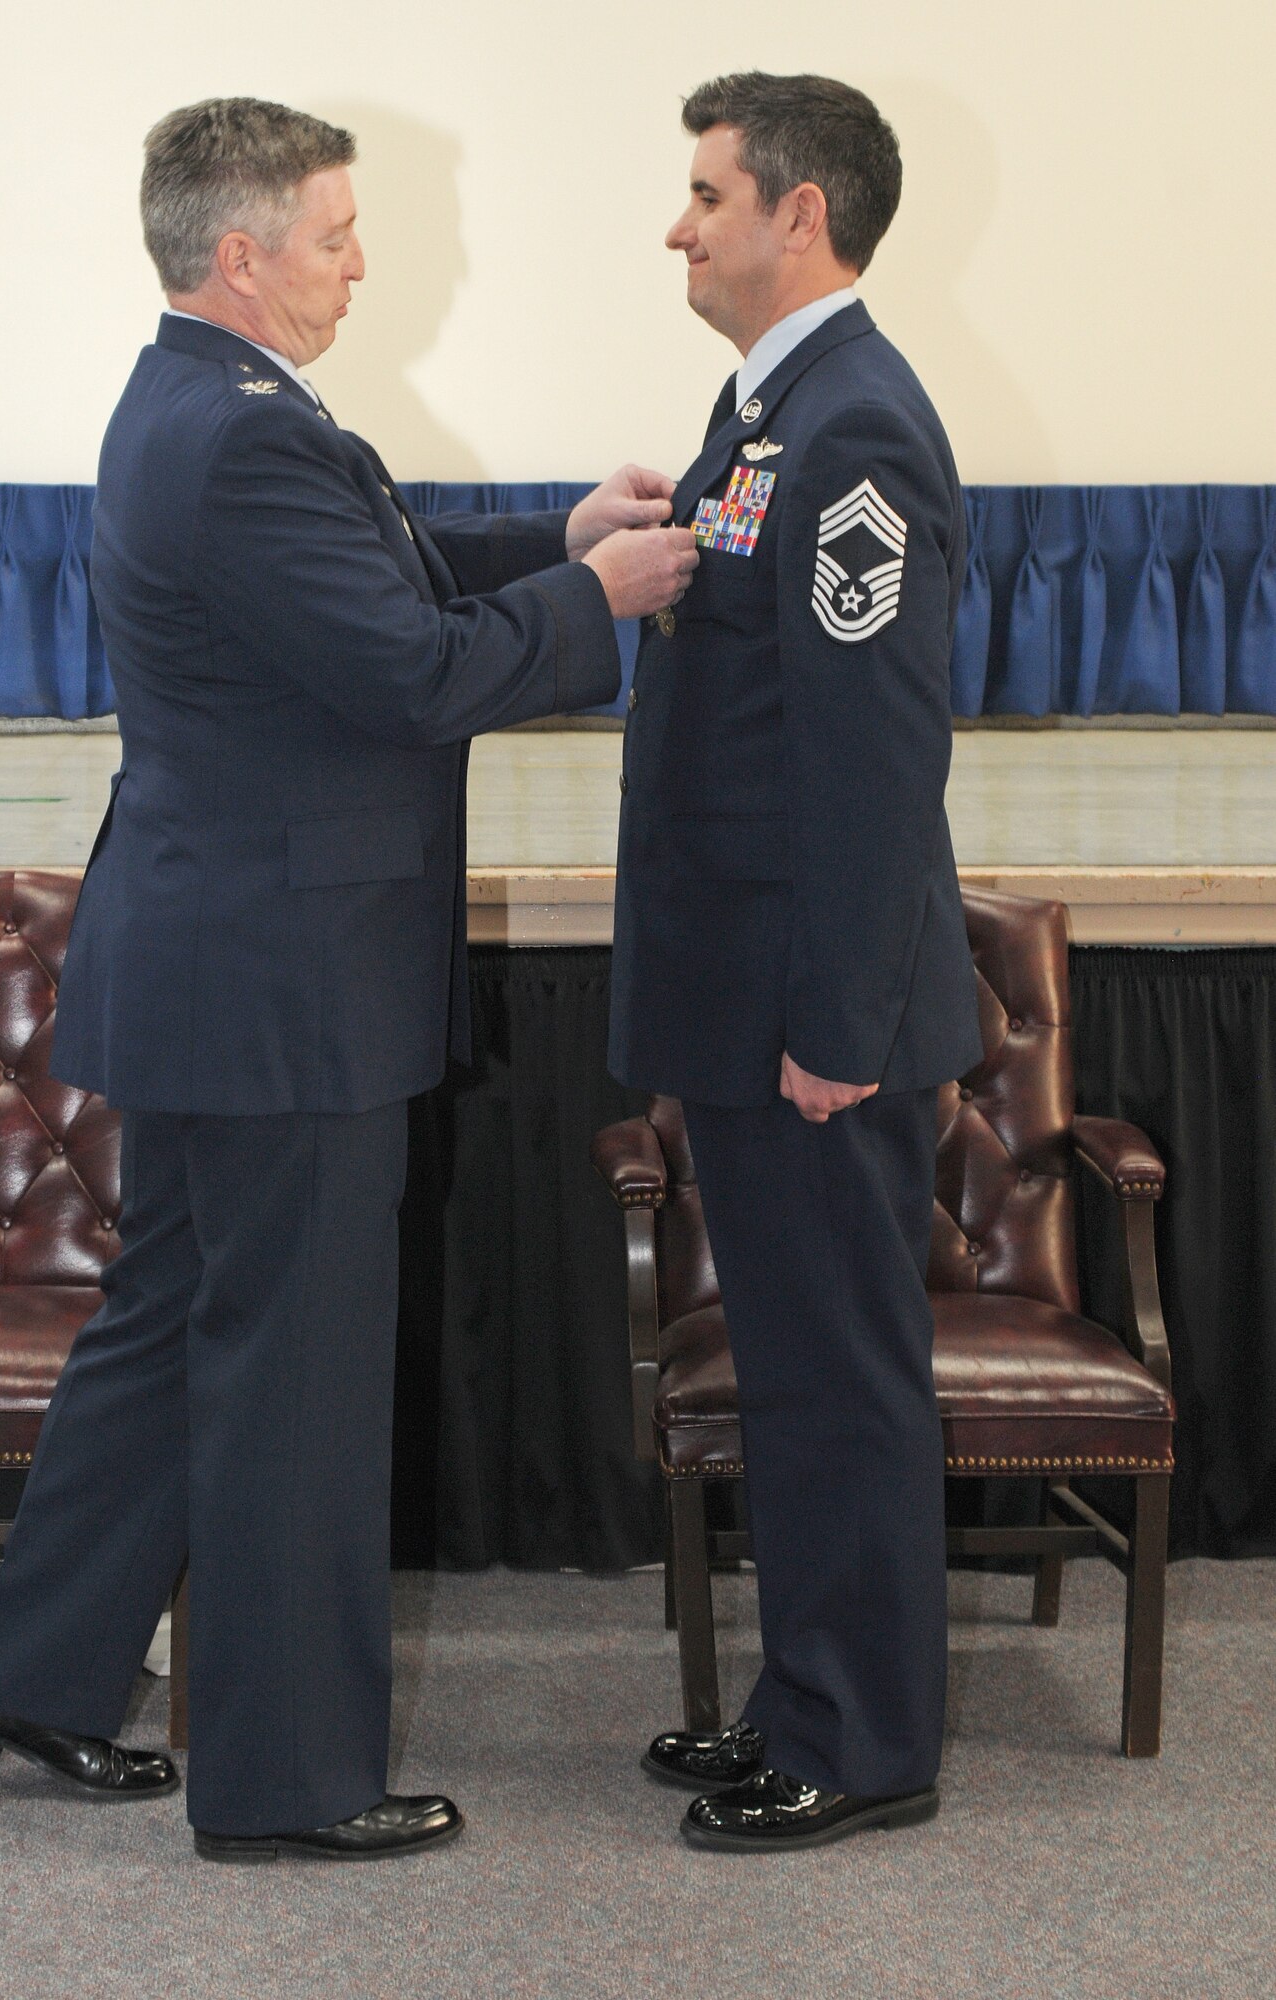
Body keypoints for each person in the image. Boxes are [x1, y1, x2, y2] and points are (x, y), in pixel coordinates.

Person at [0, 95, 697, 1863]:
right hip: (280, 990)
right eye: (340, 234)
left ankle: (29, 1677)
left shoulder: (206, 403)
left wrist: (555, 542)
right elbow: (412, 678)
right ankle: (287, 1781)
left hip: (219, 962)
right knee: (292, 1383)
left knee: (162, 1338)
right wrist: (608, 601)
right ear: (243, 251)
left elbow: (380, 587)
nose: (365, 261)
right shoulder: (239, 433)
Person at [609, 72, 983, 1851]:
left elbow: (865, 754)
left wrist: (835, 1020)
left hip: (806, 1016)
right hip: (751, 993)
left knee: (838, 1375)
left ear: (798, 215)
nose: (678, 226)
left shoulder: (853, 433)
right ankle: (799, 1699)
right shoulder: (766, 411)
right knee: (794, 1367)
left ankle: (865, 1742)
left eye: (705, 194)